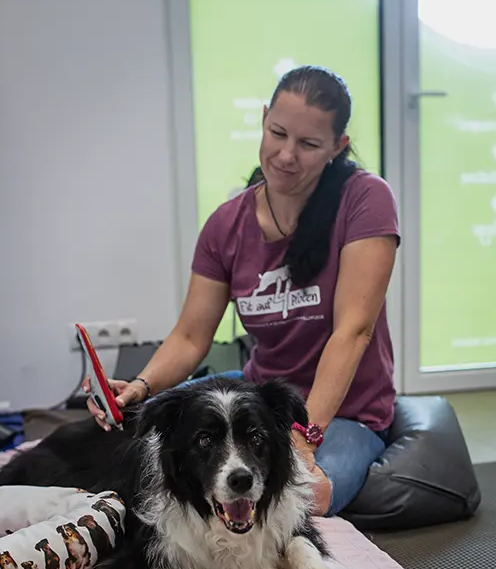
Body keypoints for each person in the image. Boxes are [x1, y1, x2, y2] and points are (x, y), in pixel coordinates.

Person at [85, 65, 400, 517]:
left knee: (305, 498)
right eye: (278, 133)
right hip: (261, 398)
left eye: (308, 144)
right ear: (264, 117)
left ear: (338, 146)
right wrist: (139, 386)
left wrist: (302, 440)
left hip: (345, 410)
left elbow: (353, 330)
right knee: (146, 434)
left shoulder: (365, 198)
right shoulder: (226, 224)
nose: (287, 155)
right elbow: (191, 336)